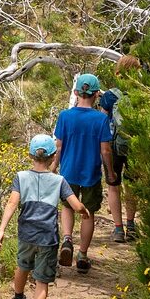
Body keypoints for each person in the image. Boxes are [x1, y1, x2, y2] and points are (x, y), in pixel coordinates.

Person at [0, 133, 88, 299]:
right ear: (54, 157)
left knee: (22, 266)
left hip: (26, 233)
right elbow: (75, 205)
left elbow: (12, 203)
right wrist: (84, 211)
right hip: (48, 237)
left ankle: (18, 298)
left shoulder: (21, 177)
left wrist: (1, 230)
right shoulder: (59, 181)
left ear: (30, 156)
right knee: (43, 279)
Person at [53, 73, 115, 273]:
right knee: (88, 213)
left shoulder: (65, 116)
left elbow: (59, 146)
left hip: (68, 172)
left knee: (68, 207)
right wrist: (110, 173)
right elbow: (105, 150)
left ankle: (67, 240)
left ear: (76, 92)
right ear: (97, 94)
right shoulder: (100, 120)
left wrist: (53, 167)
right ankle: (82, 255)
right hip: (91, 174)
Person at [99, 88, 136, 243]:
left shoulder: (109, 96)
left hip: (112, 146)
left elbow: (101, 121)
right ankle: (131, 226)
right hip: (135, 146)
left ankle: (119, 229)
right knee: (131, 186)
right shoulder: (140, 92)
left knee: (113, 186)